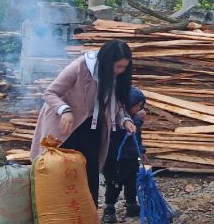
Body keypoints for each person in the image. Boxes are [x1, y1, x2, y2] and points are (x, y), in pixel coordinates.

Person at [30, 40, 137, 208]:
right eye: (117, 67)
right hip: (64, 125)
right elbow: (51, 92)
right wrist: (65, 110)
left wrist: (125, 120)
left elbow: (116, 105)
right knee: (61, 168)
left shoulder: (117, 77)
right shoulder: (81, 66)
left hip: (91, 126)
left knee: (90, 169)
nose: (120, 71)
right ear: (106, 62)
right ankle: (58, 213)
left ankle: (89, 215)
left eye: (124, 67)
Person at [102, 87, 148, 224]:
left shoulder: (132, 119)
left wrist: (142, 151)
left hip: (131, 158)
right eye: (137, 106)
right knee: (114, 184)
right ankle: (109, 209)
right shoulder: (116, 120)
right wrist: (138, 120)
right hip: (115, 159)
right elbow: (128, 132)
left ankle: (131, 205)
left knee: (131, 182)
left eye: (141, 106)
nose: (139, 109)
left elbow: (137, 138)